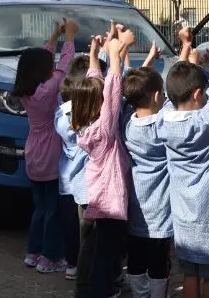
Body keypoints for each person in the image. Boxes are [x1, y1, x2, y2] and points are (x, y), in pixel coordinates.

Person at [159, 25, 209, 298]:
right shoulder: (207, 122)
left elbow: (176, 88)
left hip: (182, 219)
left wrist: (186, 52)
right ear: (197, 94)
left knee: (191, 274)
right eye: (202, 94)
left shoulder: (164, 119)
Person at [13, 18, 79, 273]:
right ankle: (50, 257)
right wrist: (70, 37)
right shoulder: (47, 90)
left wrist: (54, 35)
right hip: (50, 153)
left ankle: (33, 251)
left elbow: (44, 57)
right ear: (43, 71)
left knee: (40, 208)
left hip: (33, 153)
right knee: (53, 210)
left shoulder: (27, 89)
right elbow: (64, 65)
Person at [74, 29, 135, 298]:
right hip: (109, 199)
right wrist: (114, 58)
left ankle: (102, 287)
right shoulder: (103, 131)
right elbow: (110, 94)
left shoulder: (85, 124)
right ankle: (101, 291)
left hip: (99, 195)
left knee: (102, 247)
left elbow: (95, 84)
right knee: (105, 251)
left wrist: (94, 56)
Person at [122, 42, 173, 298]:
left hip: (135, 207)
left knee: (137, 258)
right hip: (161, 212)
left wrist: (147, 63)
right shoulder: (162, 125)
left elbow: (131, 91)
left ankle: (140, 294)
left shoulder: (127, 124)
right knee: (158, 262)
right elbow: (179, 102)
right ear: (156, 96)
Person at [56, 54, 107, 282]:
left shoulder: (63, 111)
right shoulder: (80, 117)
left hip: (67, 181)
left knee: (71, 228)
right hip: (83, 184)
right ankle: (85, 271)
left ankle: (72, 265)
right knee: (86, 232)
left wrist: (99, 52)